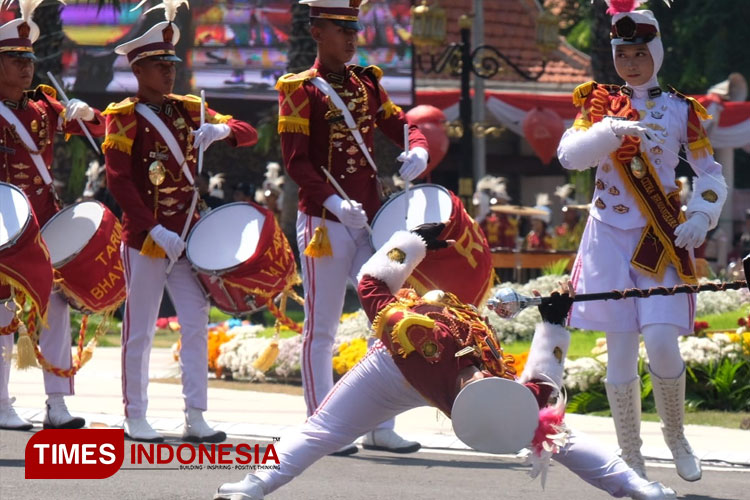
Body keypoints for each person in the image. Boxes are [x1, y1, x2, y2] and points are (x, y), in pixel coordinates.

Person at [214, 224, 677, 500]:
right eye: (479, 379)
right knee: (322, 431)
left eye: (476, 381)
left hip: (401, 366)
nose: (477, 375)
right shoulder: (428, 343)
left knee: (555, 436)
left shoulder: (485, 377)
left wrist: (553, 326)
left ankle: (634, 489)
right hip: (391, 369)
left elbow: (372, 282)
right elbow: (373, 284)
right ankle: (254, 485)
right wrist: (554, 327)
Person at [556, 4, 726, 482]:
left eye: (639, 53)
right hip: (608, 236)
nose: (631, 63)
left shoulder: (680, 110)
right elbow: (570, 155)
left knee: (661, 340)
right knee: (621, 349)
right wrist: (610, 131)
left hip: (660, 235)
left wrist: (703, 215)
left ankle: (676, 436)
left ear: (657, 52)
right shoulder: (597, 104)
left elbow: (710, 176)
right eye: (622, 53)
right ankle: (631, 455)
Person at [275, 0, 429, 455]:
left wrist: (416, 146)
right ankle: (322, 424)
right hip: (325, 221)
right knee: (321, 328)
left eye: (354, 28)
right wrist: (334, 203)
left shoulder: (366, 85)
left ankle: (380, 424)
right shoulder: (300, 89)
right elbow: (296, 162)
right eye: (340, 28)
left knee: (386, 319)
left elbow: (400, 125)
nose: (351, 37)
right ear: (317, 31)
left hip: (372, 221)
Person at [103, 0, 258, 443]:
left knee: (195, 321)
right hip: (147, 238)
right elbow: (119, 182)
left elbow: (246, 132)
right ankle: (135, 415)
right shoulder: (124, 117)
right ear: (138, 69)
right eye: (158, 65)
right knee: (140, 330)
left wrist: (223, 131)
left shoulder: (191, 108)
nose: (168, 72)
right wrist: (153, 229)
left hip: (191, 236)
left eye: (171, 63)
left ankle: (196, 414)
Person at [0, 0, 105, 430]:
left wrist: (87, 112)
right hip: (4, 231)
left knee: (57, 309)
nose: (27, 68)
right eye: (15, 59)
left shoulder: (43, 107)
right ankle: (1, 403)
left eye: (30, 59)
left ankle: (57, 403)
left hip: (43, 228)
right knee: (2, 314)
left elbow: (96, 130)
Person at [474, 175, 518, 249]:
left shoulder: (510, 223)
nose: (498, 206)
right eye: (496, 203)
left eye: (501, 203)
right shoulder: (485, 221)